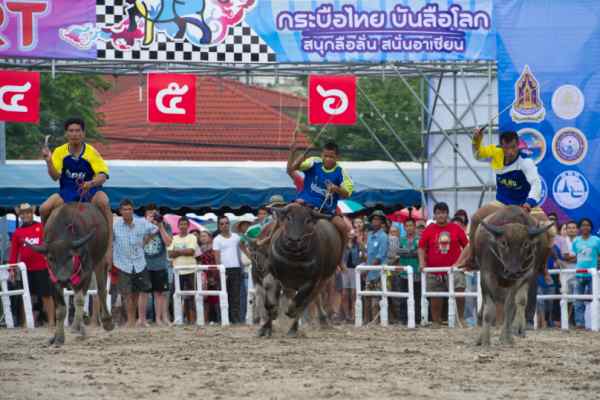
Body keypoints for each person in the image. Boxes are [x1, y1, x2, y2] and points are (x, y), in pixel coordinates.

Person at [454, 129, 549, 270]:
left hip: (523, 205)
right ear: (501, 146)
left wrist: (529, 204)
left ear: (518, 145)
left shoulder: (526, 162)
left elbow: (536, 183)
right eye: (505, 148)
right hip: (502, 203)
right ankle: (472, 258)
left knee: (550, 230)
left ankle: (543, 267)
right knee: (475, 219)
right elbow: (477, 155)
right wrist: (476, 140)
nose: (509, 152)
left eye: (513, 148)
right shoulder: (495, 153)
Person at [40, 117, 113, 264]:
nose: (74, 134)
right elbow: (55, 177)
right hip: (67, 190)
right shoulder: (60, 152)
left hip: (90, 190)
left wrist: (91, 183)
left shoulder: (91, 151)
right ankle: (48, 244)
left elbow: (103, 175)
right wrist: (48, 162)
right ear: (66, 134)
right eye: (71, 131)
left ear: (83, 133)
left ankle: (109, 246)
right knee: (44, 208)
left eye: (78, 131)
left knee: (104, 202)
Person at [288, 141, 354, 243]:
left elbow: (347, 194)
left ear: (337, 157)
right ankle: (270, 239)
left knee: (342, 226)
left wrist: (336, 189)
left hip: (326, 211)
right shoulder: (314, 162)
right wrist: (295, 156)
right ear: (321, 155)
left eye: (331, 157)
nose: (327, 159)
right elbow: (293, 168)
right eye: (325, 156)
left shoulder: (341, 173)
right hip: (304, 204)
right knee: (285, 213)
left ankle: (342, 255)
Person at [418, 202, 468, 328]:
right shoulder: (429, 229)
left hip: (454, 269)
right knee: (435, 296)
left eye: (443, 213)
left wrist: (461, 262)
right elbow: (421, 247)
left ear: (447, 214)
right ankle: (436, 321)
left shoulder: (456, 228)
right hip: (434, 270)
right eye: (438, 213)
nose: (441, 215)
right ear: (434, 215)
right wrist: (422, 263)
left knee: (460, 291)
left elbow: (467, 246)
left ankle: (460, 318)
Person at [8, 203, 55, 330]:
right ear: (20, 215)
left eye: (28, 212)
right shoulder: (17, 232)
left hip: (41, 267)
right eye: (23, 213)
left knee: (46, 295)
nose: (26, 215)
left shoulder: (41, 227)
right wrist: (11, 270)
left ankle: (51, 322)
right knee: (26, 296)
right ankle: (25, 323)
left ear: (32, 213)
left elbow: (49, 247)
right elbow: (13, 253)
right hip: (25, 270)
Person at [113, 199, 158, 328]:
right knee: (126, 293)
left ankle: (136, 319)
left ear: (133, 210)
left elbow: (155, 229)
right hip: (122, 263)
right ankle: (131, 321)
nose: (127, 211)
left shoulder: (141, 222)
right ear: (120, 211)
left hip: (139, 262)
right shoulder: (115, 225)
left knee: (138, 292)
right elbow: (110, 240)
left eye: (130, 209)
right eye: (125, 209)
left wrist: (146, 241)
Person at [143, 204, 173, 326]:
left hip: (160, 264)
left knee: (160, 293)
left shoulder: (166, 226)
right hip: (144, 265)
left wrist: (160, 227)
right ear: (145, 216)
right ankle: (143, 320)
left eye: (154, 213)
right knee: (143, 293)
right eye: (150, 213)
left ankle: (160, 319)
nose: (152, 216)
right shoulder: (141, 227)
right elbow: (140, 244)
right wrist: (150, 228)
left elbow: (168, 243)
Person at [168, 216, 199, 324]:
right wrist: (183, 251)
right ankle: (176, 319)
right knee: (175, 296)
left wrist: (178, 251)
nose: (183, 226)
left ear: (188, 226)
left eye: (185, 224)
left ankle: (192, 320)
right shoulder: (174, 238)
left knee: (191, 296)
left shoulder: (192, 237)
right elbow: (170, 254)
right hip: (177, 272)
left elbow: (191, 251)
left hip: (190, 270)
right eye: (181, 224)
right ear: (178, 226)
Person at [213, 216, 244, 324]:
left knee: (235, 296)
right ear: (219, 226)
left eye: (226, 223)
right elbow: (217, 258)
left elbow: (242, 252)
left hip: (236, 269)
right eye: (221, 224)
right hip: (224, 270)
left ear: (229, 224)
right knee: (224, 295)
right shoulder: (217, 239)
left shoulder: (236, 237)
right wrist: (221, 271)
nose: (224, 225)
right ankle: (224, 319)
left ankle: (236, 319)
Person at [572, 218, 600, 329]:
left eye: (588, 225)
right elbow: (575, 255)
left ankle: (595, 323)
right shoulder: (576, 241)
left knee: (595, 299)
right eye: (583, 225)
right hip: (579, 274)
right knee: (578, 300)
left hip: (593, 275)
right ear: (579, 228)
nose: (585, 227)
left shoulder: (596, 240)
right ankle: (579, 324)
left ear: (591, 227)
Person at [364, 210, 389, 323]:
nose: (375, 221)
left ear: (382, 222)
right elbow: (367, 253)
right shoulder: (370, 236)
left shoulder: (383, 237)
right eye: (374, 219)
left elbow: (380, 257)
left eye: (378, 219)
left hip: (378, 272)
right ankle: (366, 320)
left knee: (377, 299)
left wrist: (367, 269)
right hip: (369, 272)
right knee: (367, 297)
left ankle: (376, 321)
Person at [396, 218, 421, 325]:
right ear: (404, 227)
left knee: (417, 296)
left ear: (414, 227)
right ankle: (403, 318)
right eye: (407, 226)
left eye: (411, 225)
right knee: (403, 297)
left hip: (417, 272)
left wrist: (407, 252)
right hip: (404, 273)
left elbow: (419, 252)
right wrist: (412, 252)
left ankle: (417, 318)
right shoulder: (401, 239)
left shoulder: (419, 239)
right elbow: (398, 252)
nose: (409, 228)